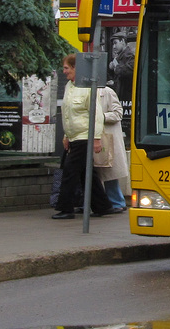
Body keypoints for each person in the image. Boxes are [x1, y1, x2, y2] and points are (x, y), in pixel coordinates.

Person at [53, 54, 112, 220]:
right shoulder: (69, 87)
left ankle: (66, 208)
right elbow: (67, 114)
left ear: (75, 68)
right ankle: (103, 206)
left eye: (66, 68)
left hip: (84, 136)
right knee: (86, 173)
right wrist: (66, 135)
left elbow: (96, 114)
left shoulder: (87, 88)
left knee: (70, 171)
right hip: (74, 137)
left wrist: (96, 138)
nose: (64, 72)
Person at [95, 84, 129, 212]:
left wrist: (102, 117)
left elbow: (118, 113)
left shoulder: (107, 92)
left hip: (107, 138)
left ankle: (117, 202)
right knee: (97, 171)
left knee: (109, 171)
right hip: (93, 136)